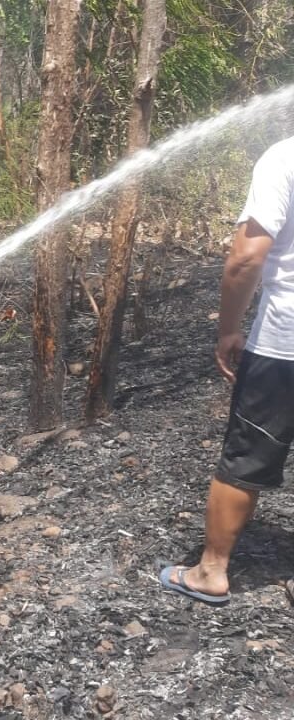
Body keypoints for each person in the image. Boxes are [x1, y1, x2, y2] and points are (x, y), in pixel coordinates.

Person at [160, 136, 294, 605]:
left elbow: (246, 257)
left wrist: (229, 328)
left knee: (247, 456)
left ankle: (210, 571)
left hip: (284, 347)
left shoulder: (284, 156)